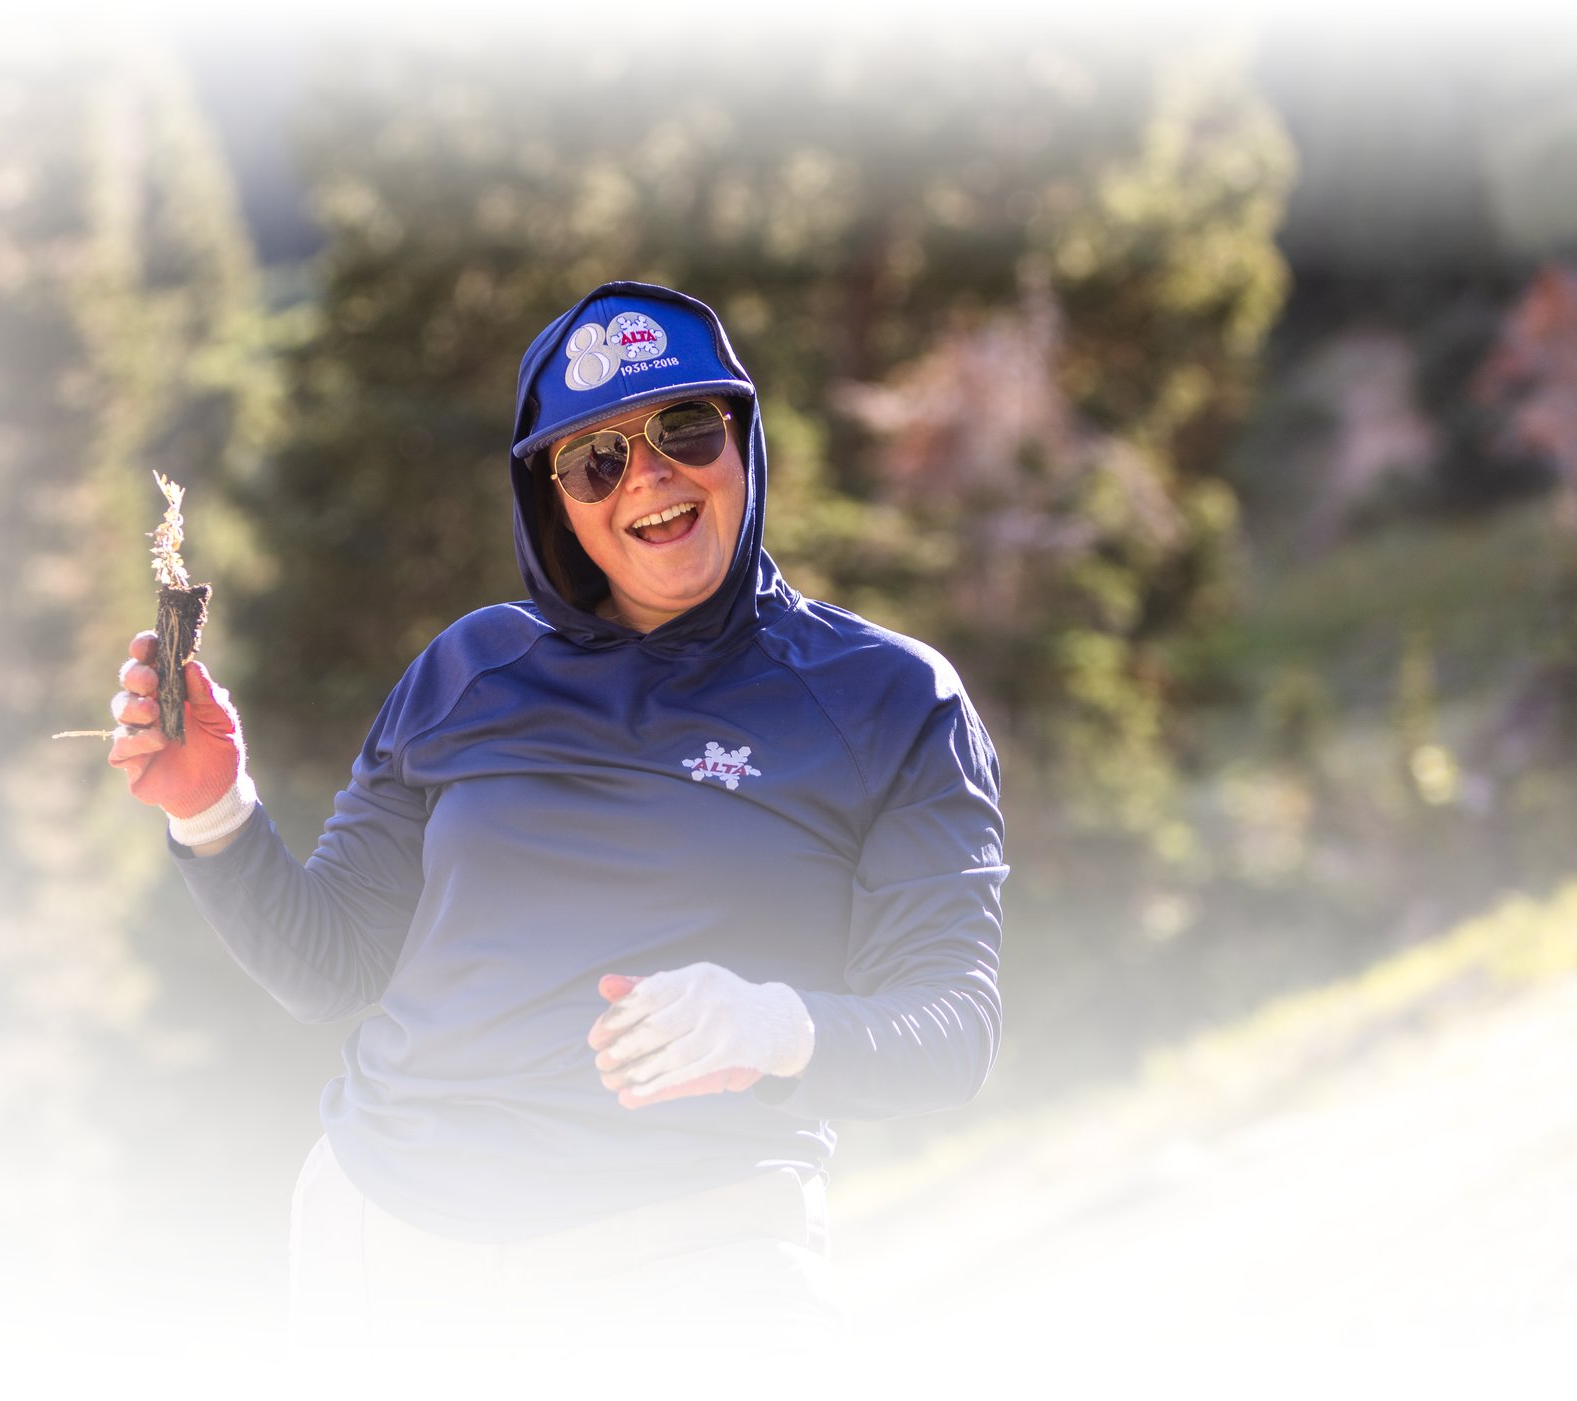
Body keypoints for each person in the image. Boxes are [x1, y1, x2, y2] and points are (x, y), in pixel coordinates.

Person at [107, 281, 1007, 1350]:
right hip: (391, 1247)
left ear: (742, 440)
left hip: (704, 1257)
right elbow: (330, 967)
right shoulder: (469, 669)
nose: (650, 475)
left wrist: (778, 1026)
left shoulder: (890, 700)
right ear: (555, 502)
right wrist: (211, 808)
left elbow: (952, 1028)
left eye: (685, 426)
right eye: (596, 459)